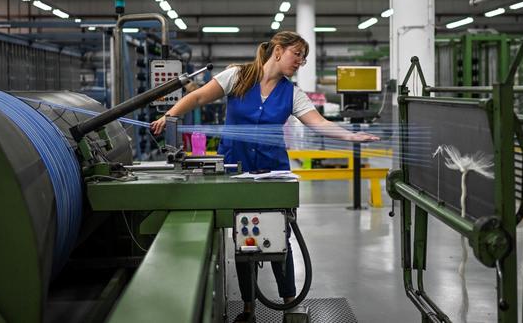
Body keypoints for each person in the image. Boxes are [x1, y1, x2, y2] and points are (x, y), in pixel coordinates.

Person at [151, 31, 378, 322]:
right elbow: (197, 96)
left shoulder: (292, 93)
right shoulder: (236, 76)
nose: (300, 62)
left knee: (278, 237)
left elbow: (318, 123)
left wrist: (351, 136)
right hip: (235, 171)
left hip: (274, 174)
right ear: (278, 51)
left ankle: (289, 305)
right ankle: (249, 308)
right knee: (244, 240)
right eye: (297, 54)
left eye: (304, 58)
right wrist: (168, 116)